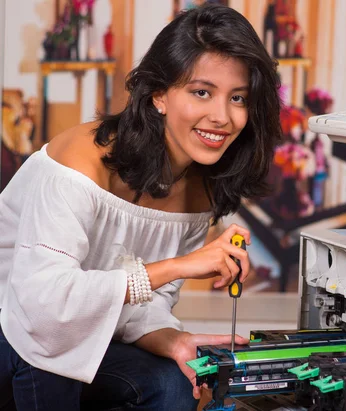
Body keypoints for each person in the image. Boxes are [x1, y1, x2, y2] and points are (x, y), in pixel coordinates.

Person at [0, 4, 281, 411]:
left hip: (77, 339)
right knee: (54, 357)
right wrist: (182, 264)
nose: (222, 117)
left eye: (237, 98)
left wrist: (175, 341)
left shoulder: (199, 186)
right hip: (16, 334)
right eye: (201, 92)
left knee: (172, 385)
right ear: (159, 95)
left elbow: (144, 306)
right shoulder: (79, 163)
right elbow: (45, 312)